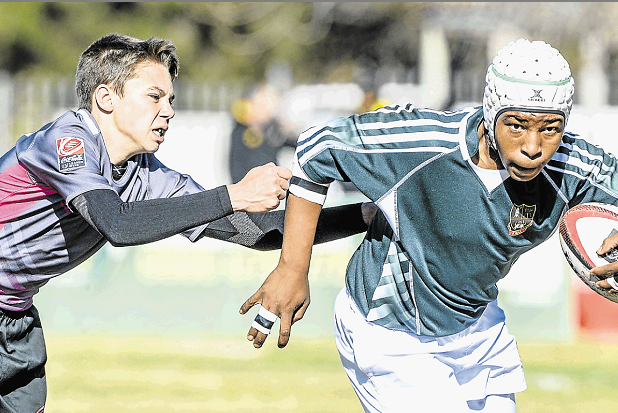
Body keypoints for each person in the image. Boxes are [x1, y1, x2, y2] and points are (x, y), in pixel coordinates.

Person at [240, 38, 618, 412]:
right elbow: (317, 149)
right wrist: (292, 268)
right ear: (491, 113)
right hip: (389, 331)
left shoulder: (571, 161)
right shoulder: (423, 142)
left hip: (475, 327)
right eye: (516, 125)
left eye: (550, 128)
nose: (533, 145)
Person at [0, 33, 372, 413]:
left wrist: (370, 215)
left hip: (16, 319)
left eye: (171, 100)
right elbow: (117, 225)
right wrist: (232, 195)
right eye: (154, 96)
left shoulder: (146, 175)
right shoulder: (67, 140)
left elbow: (256, 232)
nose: (169, 111)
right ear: (105, 98)